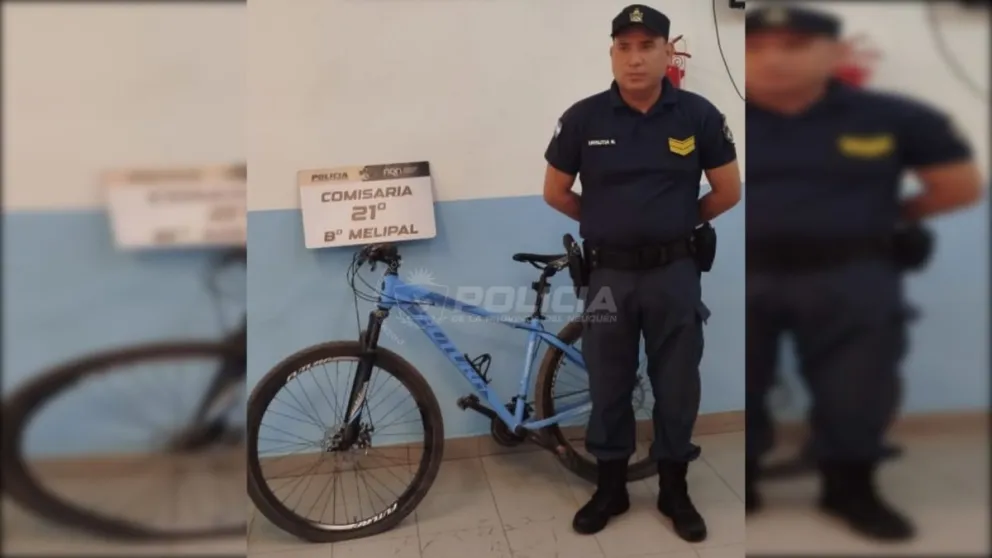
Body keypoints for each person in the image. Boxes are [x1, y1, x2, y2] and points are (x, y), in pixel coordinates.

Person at [744, 5, 983, 542]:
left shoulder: (893, 116)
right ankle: (747, 481)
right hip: (749, 276)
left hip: (853, 274)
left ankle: (851, 490)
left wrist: (893, 218)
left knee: (858, 389)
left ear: (835, 52)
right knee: (747, 381)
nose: (772, 58)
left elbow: (959, 185)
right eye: (756, 46)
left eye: (793, 44)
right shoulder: (718, 121)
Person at [543, 4, 741, 541]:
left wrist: (677, 224)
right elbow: (556, 192)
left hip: (675, 272)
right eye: (624, 47)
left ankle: (675, 487)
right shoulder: (583, 118)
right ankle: (611, 486)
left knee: (676, 382)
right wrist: (606, 224)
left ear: (666, 51)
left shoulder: (697, 115)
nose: (635, 58)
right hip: (607, 276)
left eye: (647, 46)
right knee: (607, 378)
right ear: (612, 53)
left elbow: (728, 191)